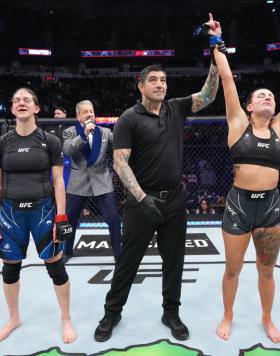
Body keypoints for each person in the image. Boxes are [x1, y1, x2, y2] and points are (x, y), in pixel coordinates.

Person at [94, 50, 220, 341]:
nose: (160, 84)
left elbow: (208, 95)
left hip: (175, 200)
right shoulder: (128, 118)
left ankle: (171, 312)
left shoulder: (175, 108)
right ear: (140, 85)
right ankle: (112, 313)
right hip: (141, 202)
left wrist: (216, 58)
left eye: (163, 80)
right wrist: (141, 197)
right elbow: (120, 162)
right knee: (129, 260)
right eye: (153, 80)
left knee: (174, 259)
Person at [208, 13, 280, 343]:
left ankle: (267, 318)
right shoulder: (239, 123)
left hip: (270, 208)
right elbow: (226, 80)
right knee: (233, 269)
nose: (267, 98)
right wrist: (216, 42)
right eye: (261, 96)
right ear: (249, 107)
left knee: (266, 270)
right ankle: (227, 314)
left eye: (271, 96)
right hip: (238, 207)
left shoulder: (278, 130)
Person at [0, 88, 76, 343]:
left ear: (36, 108)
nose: (21, 102)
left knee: (55, 266)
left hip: (43, 211)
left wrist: (61, 217)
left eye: (27, 99)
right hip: (10, 213)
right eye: (16, 100)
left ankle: (65, 318)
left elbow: (58, 181)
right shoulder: (3, 141)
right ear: (12, 109)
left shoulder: (49, 141)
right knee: (9, 269)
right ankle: (13, 318)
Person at [62, 100, 122, 262]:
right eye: (85, 112)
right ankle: (67, 251)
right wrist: (84, 135)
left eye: (92, 111)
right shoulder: (70, 132)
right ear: (78, 115)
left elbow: (119, 146)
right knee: (69, 219)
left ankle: (119, 254)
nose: (90, 114)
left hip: (102, 181)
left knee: (113, 219)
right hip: (78, 182)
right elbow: (67, 150)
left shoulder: (104, 132)